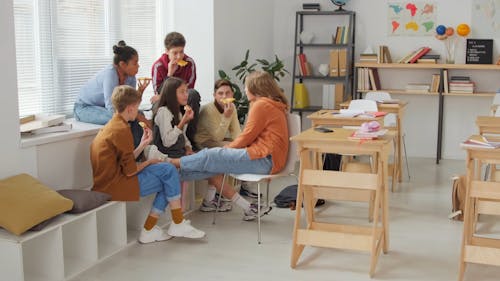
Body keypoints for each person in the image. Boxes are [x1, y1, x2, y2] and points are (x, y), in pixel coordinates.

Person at [90, 85, 205, 244]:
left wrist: (143, 145)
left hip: (111, 180)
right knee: (170, 176)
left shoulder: (114, 125)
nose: (138, 112)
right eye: (137, 108)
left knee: (168, 172)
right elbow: (130, 170)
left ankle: (158, 228)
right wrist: (149, 161)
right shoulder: (121, 130)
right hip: (115, 186)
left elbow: (125, 160)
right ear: (130, 108)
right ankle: (168, 224)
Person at [170, 71, 289, 221]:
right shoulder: (269, 104)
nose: (245, 90)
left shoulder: (262, 105)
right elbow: (246, 136)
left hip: (264, 159)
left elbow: (246, 136)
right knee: (212, 167)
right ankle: (172, 173)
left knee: (212, 154)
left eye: (246, 87)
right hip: (268, 159)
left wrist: (227, 149)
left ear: (255, 88)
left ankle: (172, 163)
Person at [74, 40, 150, 149]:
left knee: (138, 113)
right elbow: (112, 107)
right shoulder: (110, 74)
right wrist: (140, 117)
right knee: (121, 116)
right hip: (84, 108)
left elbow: (131, 104)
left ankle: (139, 152)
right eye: (135, 63)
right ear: (122, 64)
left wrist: (140, 92)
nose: (138, 66)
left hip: (103, 108)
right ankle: (133, 154)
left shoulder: (131, 77)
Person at [194, 79, 241, 212]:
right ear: (214, 95)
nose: (224, 97)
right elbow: (216, 137)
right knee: (224, 150)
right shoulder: (208, 110)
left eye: (227, 93)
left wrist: (241, 145)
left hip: (216, 141)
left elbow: (237, 132)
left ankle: (212, 198)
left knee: (237, 147)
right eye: (220, 93)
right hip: (203, 142)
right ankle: (210, 200)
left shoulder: (232, 108)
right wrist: (226, 117)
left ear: (232, 94)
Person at [151, 32, 200, 149]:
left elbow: (189, 89)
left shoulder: (190, 63)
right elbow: (159, 95)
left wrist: (177, 93)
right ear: (167, 51)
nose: (179, 57)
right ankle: (163, 145)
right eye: (175, 53)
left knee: (193, 94)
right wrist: (169, 74)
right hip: (166, 102)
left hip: (183, 99)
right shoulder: (158, 66)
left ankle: (189, 141)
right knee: (156, 103)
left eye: (181, 52)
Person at [152, 77, 195, 159]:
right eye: (182, 92)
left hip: (180, 154)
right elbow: (167, 142)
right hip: (167, 157)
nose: (186, 95)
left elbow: (182, 136)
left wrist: (188, 148)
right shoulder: (163, 111)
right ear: (171, 94)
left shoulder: (178, 112)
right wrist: (182, 122)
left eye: (186, 91)